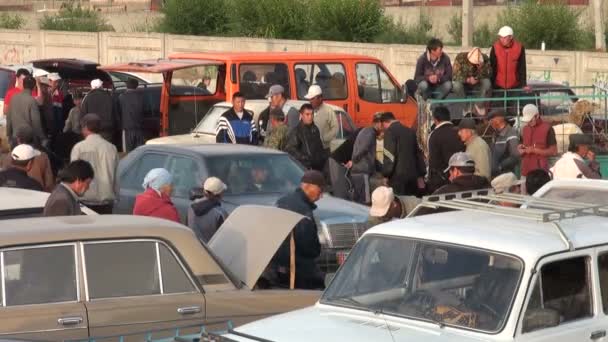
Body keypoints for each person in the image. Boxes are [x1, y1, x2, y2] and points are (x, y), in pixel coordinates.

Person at [272, 170, 325, 290]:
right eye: (320, 191)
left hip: (276, 267)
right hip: (296, 269)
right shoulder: (303, 210)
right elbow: (309, 247)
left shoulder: (281, 201)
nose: (321, 196)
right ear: (307, 186)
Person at [70, 114, 119, 214]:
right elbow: (116, 175)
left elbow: (73, 176)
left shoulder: (79, 148)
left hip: (85, 202)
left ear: (85, 128)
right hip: (106, 202)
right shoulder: (111, 148)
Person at [380, 112, 426, 196]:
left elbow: (389, 155)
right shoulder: (410, 131)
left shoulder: (390, 132)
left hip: (397, 178)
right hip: (413, 176)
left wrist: (386, 174)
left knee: (401, 204)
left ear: (384, 122)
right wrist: (421, 174)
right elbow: (418, 154)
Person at [0, 126, 54, 191]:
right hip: (37, 194)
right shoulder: (43, 157)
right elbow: (49, 184)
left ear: (18, 139)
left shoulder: (9, 156)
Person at [427, 106, 465, 193]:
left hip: (440, 180)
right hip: (460, 176)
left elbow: (433, 161)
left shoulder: (434, 135)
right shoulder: (459, 132)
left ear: (435, 119)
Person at [346, 113, 383, 204]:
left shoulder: (369, 132)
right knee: (365, 201)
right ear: (378, 124)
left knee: (361, 199)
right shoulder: (370, 133)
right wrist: (354, 160)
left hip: (360, 170)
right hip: (361, 171)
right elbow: (363, 149)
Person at [518, 104, 557, 178]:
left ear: (537, 116)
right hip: (525, 170)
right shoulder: (525, 129)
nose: (528, 122)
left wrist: (534, 150)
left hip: (540, 173)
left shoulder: (548, 128)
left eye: (530, 120)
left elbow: (553, 151)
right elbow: (523, 146)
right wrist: (520, 149)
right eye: (527, 120)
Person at [6, 76, 47, 148]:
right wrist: (42, 138)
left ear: (23, 85)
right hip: (28, 140)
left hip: (15, 138)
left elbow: (8, 118)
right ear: (34, 87)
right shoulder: (32, 100)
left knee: (15, 157)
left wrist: (9, 135)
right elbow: (36, 122)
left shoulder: (13, 98)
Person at [285, 104, 326, 172]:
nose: (310, 117)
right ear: (301, 115)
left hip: (318, 168)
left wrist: (323, 157)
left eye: (312, 114)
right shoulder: (297, 131)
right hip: (304, 168)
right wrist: (305, 158)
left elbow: (319, 146)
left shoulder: (315, 129)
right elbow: (290, 149)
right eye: (307, 114)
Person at [188, 176, 228, 243]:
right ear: (220, 194)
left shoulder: (190, 209)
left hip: (193, 249)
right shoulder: (220, 213)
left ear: (204, 191)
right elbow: (225, 239)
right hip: (212, 252)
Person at [490, 26, 528, 95]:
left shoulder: (520, 47)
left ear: (511, 37)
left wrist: (524, 84)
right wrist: (491, 84)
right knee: (498, 105)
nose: (502, 39)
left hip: (515, 86)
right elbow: (492, 67)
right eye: (500, 37)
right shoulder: (495, 47)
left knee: (514, 106)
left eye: (504, 37)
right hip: (498, 86)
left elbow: (522, 67)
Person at [304, 85, 338, 154]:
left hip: (324, 149)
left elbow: (335, 128)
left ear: (320, 98)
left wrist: (324, 138)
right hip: (309, 150)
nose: (310, 101)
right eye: (310, 99)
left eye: (313, 98)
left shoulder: (328, 111)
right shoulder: (306, 110)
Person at [488, 110, 520, 176]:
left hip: (506, 175)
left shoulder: (511, 133)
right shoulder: (495, 135)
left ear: (499, 119)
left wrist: (500, 166)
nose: (490, 123)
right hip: (497, 174)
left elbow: (515, 156)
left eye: (491, 120)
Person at [118, 78, 145, 152]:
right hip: (140, 128)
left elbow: (119, 112)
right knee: (139, 152)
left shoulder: (122, 97)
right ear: (137, 86)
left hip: (127, 129)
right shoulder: (141, 96)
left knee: (128, 153)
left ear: (126, 85)